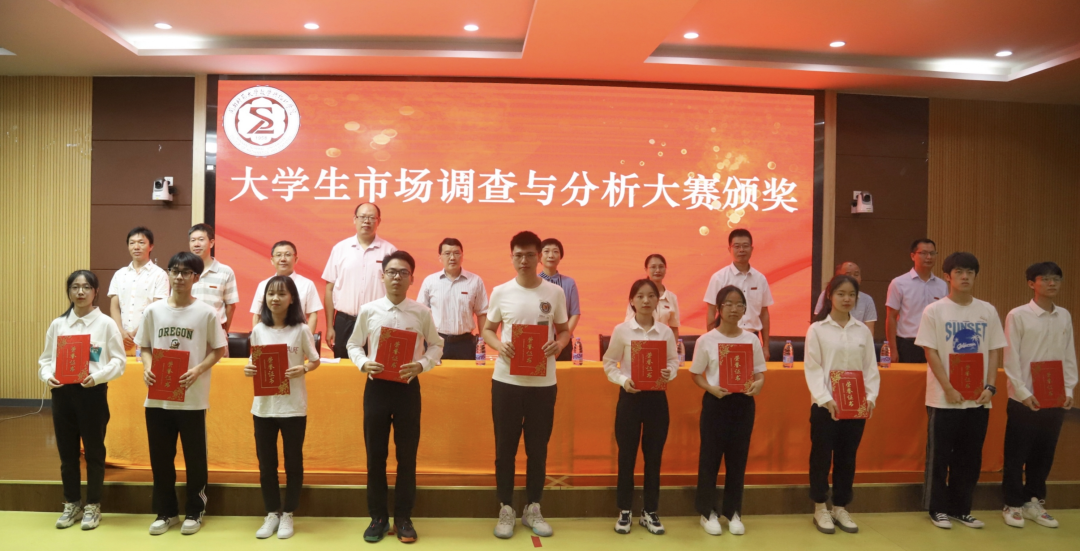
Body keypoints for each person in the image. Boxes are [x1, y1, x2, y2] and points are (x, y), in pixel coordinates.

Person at [347, 251, 443, 544]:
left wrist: (421, 365)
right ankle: (378, 517)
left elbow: (436, 345)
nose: (397, 277)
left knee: (407, 456)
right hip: (376, 388)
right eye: (391, 272)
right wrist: (364, 363)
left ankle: (403, 518)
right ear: (383, 276)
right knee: (375, 455)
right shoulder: (369, 310)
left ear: (412, 278)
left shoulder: (421, 312)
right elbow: (353, 344)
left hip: (407, 388)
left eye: (403, 272)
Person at [483, 231, 571, 539]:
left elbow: (564, 330)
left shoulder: (554, 293)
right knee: (505, 449)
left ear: (539, 257)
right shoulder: (500, 292)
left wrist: (559, 345)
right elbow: (488, 329)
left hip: (543, 384)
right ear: (512, 257)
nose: (524, 260)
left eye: (530, 255)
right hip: (506, 382)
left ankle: (533, 507)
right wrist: (499, 345)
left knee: (538, 448)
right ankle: (506, 507)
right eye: (518, 255)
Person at [139, 252, 228, 536]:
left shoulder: (206, 312)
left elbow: (219, 349)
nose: (179, 277)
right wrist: (148, 367)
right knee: (160, 459)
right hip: (158, 397)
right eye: (174, 271)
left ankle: (194, 511)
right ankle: (166, 512)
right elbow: (144, 346)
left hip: (192, 399)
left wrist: (198, 369)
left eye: (186, 272)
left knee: (194, 458)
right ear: (168, 274)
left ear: (195, 277)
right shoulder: (153, 311)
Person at [915, 252, 1005, 530]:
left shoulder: (987, 310)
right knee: (940, 456)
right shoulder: (935, 311)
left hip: (978, 399)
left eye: (970, 272)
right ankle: (937, 508)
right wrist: (949, 388)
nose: (965, 277)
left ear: (976, 276)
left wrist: (990, 386)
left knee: (970, 457)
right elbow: (930, 352)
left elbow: (994, 350)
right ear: (947, 277)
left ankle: (961, 509)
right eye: (959, 272)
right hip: (944, 398)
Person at [38, 270, 126, 530]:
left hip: (92, 394)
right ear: (69, 291)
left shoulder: (106, 324)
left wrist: (97, 377)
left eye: (86, 287)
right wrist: (48, 376)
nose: (80, 292)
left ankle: (93, 505)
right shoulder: (58, 324)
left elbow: (119, 361)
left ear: (95, 292)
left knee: (94, 452)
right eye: (75, 287)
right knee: (67, 453)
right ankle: (72, 503)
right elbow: (45, 359)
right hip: (62, 394)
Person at [1001, 262, 1076, 529]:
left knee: (1044, 453)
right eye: (1045, 279)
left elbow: (1068, 355)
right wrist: (1022, 392)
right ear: (1032, 283)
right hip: (1024, 398)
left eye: (1056, 278)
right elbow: (1010, 358)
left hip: (1054, 397)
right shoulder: (1018, 315)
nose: (1052, 283)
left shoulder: (1064, 315)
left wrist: (1069, 389)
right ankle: (1012, 503)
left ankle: (1033, 501)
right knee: (1016, 453)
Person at [804, 274, 880, 535]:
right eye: (841, 294)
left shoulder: (862, 331)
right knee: (821, 457)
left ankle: (840, 507)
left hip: (855, 406)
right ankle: (820, 507)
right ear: (830, 296)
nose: (847, 299)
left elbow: (870, 368)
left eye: (851, 295)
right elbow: (813, 367)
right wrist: (825, 399)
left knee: (847, 458)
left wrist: (870, 398)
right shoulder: (817, 329)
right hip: (825, 406)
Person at [244, 276, 320, 540]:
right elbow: (254, 362)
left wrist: (304, 368)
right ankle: (272, 513)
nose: (275, 299)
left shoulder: (301, 329)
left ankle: (288, 513)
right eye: (270, 294)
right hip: (263, 408)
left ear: (292, 299)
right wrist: (249, 369)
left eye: (281, 294)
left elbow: (315, 360)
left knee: (293, 462)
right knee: (267, 464)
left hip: (293, 407)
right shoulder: (258, 330)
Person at [603, 279, 679, 535]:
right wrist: (623, 380)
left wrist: (669, 373)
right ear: (632, 301)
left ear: (658, 301)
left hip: (657, 400)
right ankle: (625, 510)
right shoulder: (622, 330)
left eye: (651, 296)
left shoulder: (665, 332)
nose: (646, 301)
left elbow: (673, 361)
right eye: (640, 296)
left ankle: (650, 511)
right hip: (630, 398)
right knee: (627, 456)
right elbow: (609, 363)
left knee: (654, 457)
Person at [691, 285, 766, 536]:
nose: (734, 309)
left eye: (739, 304)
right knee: (710, 458)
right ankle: (707, 512)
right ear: (719, 309)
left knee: (738, 459)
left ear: (745, 309)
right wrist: (710, 388)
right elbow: (695, 374)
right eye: (729, 304)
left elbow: (760, 373)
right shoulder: (706, 340)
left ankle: (734, 511)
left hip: (743, 404)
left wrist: (758, 384)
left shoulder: (751, 339)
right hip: (716, 403)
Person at [323, 202, 397, 358]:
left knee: (378, 365)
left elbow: (396, 290)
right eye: (362, 217)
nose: (366, 221)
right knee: (344, 367)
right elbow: (329, 289)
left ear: (379, 221)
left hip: (379, 320)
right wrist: (330, 326)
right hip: (345, 321)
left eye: (371, 217)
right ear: (354, 219)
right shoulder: (340, 249)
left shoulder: (390, 251)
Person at [704, 229, 773, 360]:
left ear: (752, 249)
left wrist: (765, 346)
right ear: (729, 249)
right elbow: (711, 312)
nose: (741, 250)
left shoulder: (760, 279)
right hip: (725, 338)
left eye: (745, 246)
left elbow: (764, 313)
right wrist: (712, 341)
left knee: (753, 373)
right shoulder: (719, 278)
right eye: (737, 246)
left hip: (752, 338)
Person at [417, 238, 489, 360]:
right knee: (433, 373)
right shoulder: (430, 282)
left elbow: (482, 313)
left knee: (467, 373)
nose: (452, 257)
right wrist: (420, 343)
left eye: (456, 253)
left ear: (462, 256)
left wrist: (482, 341)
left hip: (465, 344)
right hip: (436, 342)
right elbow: (420, 314)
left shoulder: (475, 281)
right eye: (447, 253)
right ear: (440, 257)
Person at [108, 227, 170, 355]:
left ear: (151, 246)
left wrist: (137, 332)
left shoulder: (160, 274)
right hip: (122, 340)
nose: (136, 247)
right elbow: (114, 307)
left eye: (141, 242)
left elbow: (158, 308)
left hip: (148, 339)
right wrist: (121, 332)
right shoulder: (119, 274)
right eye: (132, 243)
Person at [886, 239, 948, 363]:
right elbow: (891, 317)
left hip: (934, 344)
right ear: (913, 256)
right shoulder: (899, 283)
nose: (929, 257)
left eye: (932, 253)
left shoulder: (942, 285)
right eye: (923, 253)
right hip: (907, 344)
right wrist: (892, 349)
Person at [248, 241, 323, 335]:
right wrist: (258, 338)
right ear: (272, 260)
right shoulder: (263, 285)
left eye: (287, 255)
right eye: (278, 255)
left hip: (297, 336)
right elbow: (257, 315)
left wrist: (308, 338)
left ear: (295, 259)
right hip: (269, 336)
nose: (283, 259)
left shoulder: (307, 284)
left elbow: (313, 315)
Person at [188, 223, 240, 334]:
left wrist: (223, 332)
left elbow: (230, 306)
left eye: (201, 239)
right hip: (187, 330)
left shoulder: (225, 271)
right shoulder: (183, 271)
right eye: (193, 240)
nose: (196, 244)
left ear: (211, 243)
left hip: (215, 330)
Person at [539, 238, 581, 362]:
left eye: (555, 251)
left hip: (563, 341)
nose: (551, 255)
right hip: (538, 339)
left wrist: (562, 340)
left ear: (560, 256)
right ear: (539, 256)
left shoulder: (569, 283)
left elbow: (575, 313)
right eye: (546, 251)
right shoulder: (532, 282)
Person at [624, 254, 681, 340]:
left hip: (661, 344)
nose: (657, 270)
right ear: (646, 270)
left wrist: (673, 346)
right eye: (653, 267)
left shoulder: (672, 297)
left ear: (666, 269)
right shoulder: (638, 294)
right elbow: (628, 325)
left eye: (661, 267)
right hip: (639, 343)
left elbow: (674, 328)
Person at [813, 262, 877, 334]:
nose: (847, 299)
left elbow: (869, 332)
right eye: (848, 275)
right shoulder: (826, 294)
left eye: (856, 274)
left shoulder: (867, 299)